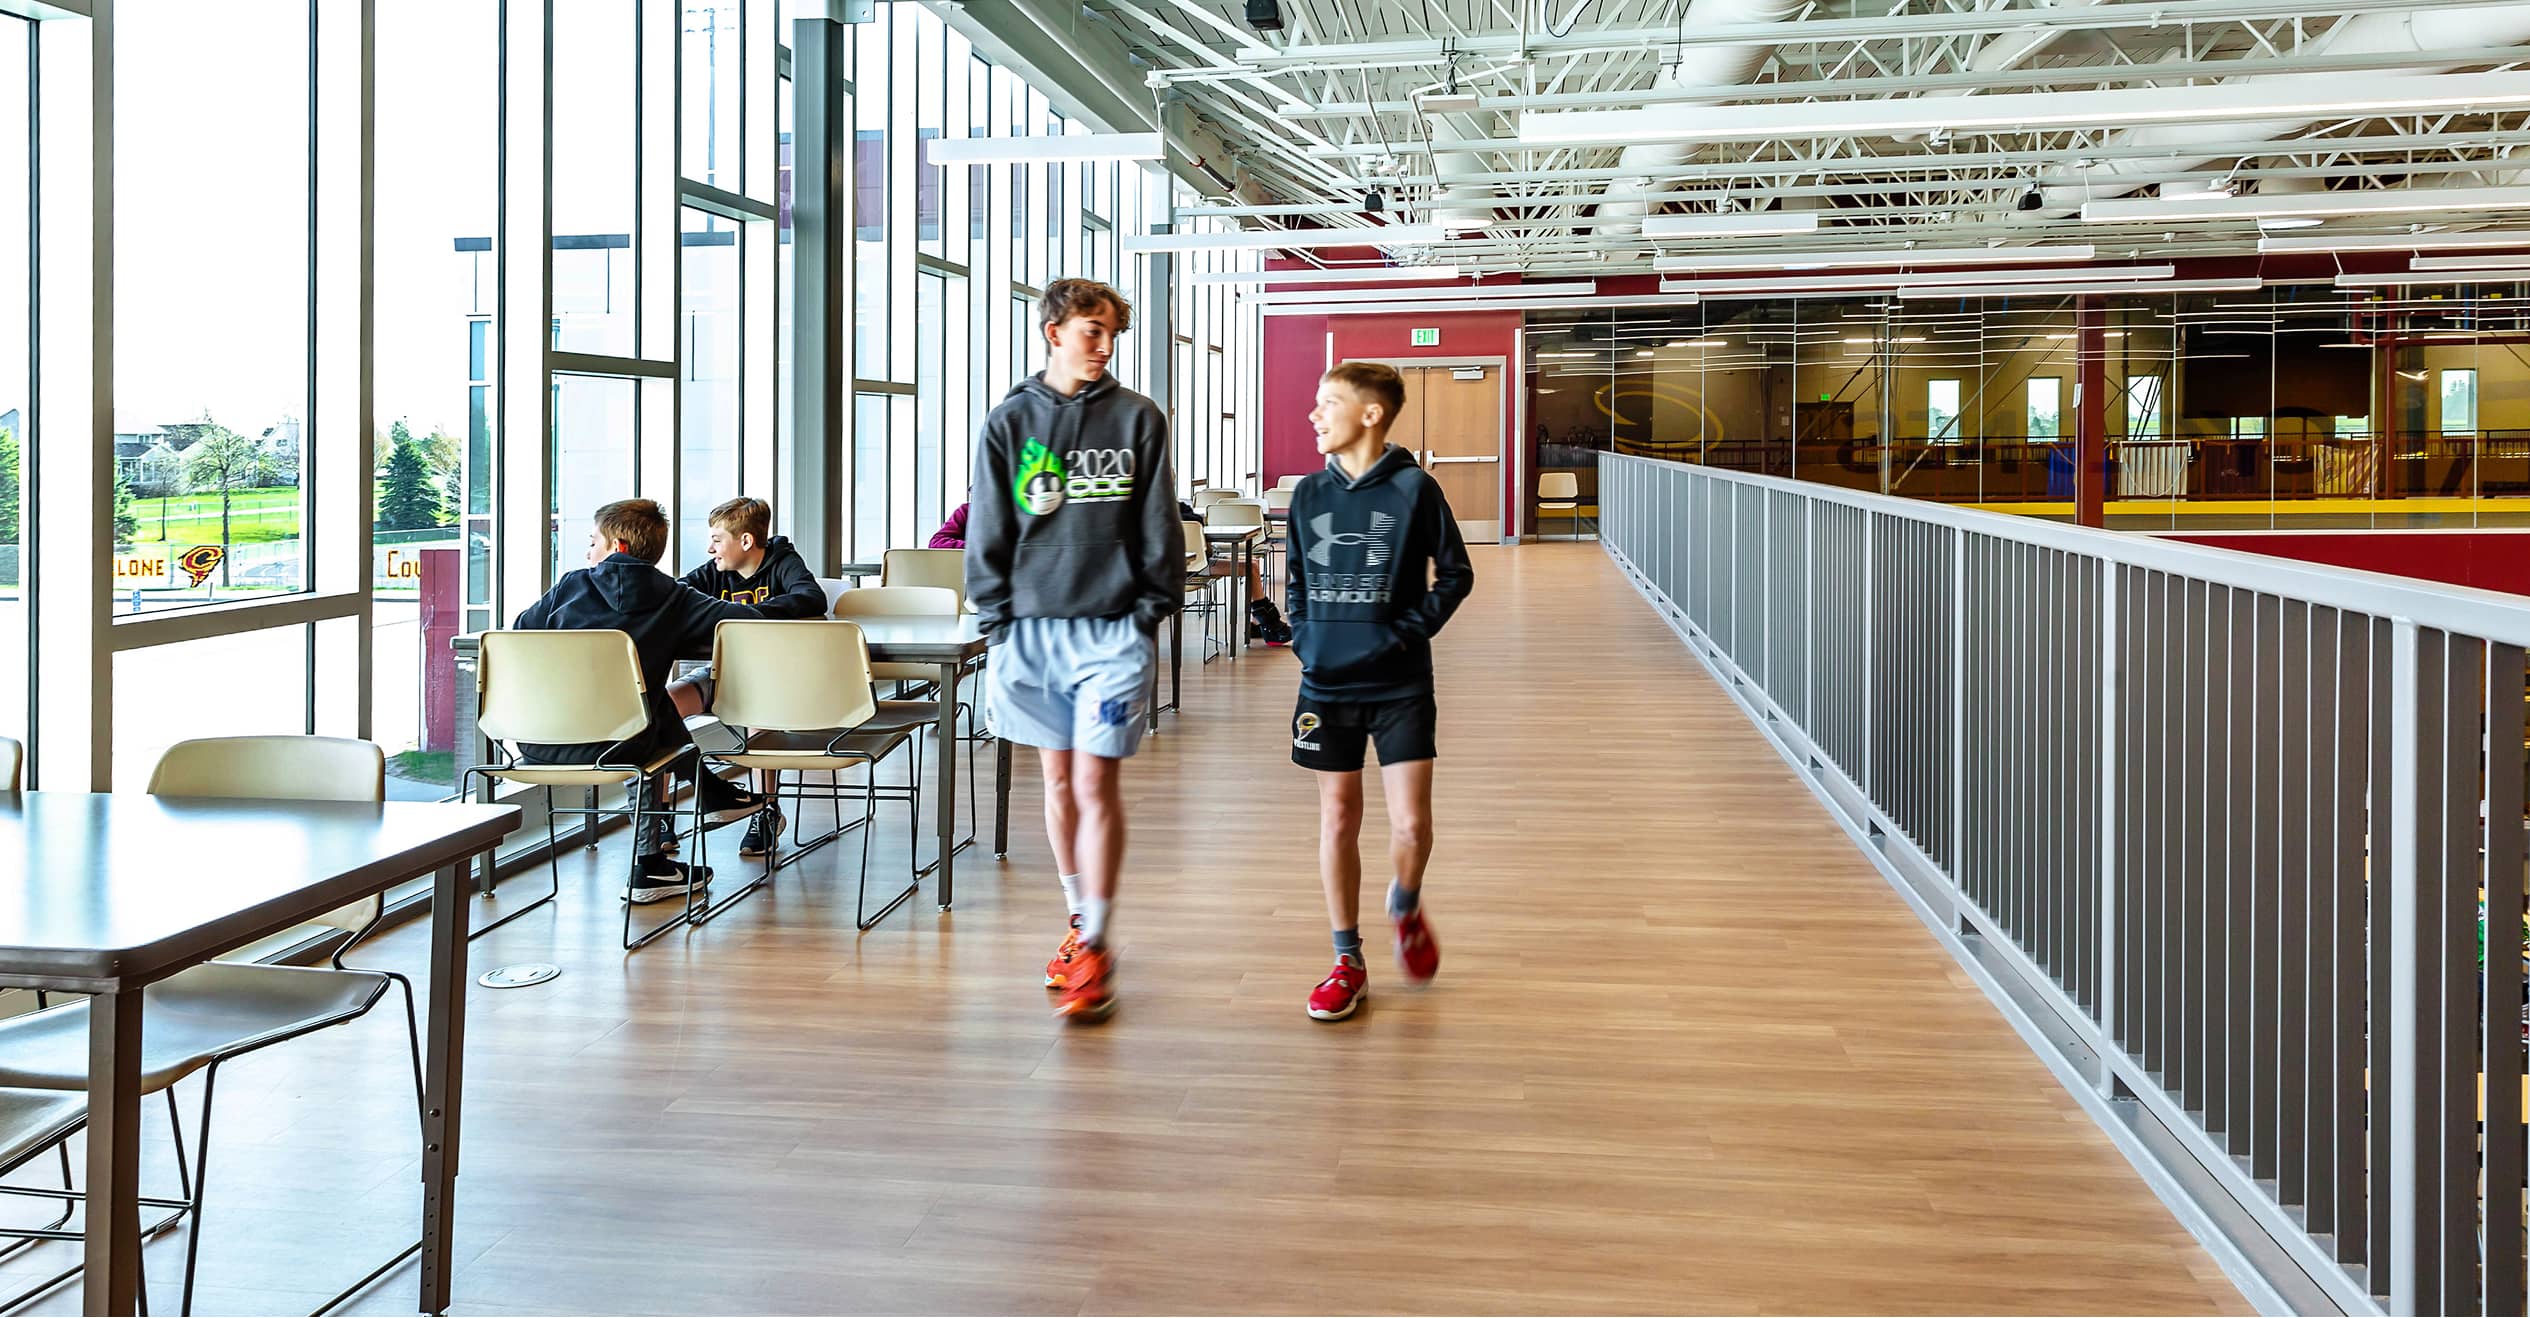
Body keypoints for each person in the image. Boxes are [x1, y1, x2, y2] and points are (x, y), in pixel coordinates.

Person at [965, 277, 1179, 1024]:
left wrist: (1149, 610)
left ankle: (1096, 939)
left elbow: (1159, 523)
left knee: (1095, 784)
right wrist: (997, 621)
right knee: (1056, 784)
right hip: (1028, 634)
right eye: (1092, 330)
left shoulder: (1138, 418)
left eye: (1112, 333)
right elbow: (988, 528)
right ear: (1053, 331)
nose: (1105, 344)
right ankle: (1077, 918)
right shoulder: (1009, 421)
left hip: (1113, 631)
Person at [1284, 362, 1474, 1022]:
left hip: (1399, 683)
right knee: (1337, 817)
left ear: (1370, 414)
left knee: (1411, 823)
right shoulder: (1308, 495)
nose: (1314, 414)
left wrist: (1401, 635)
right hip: (1324, 683)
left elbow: (1455, 576)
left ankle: (1405, 902)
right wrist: (1304, 638)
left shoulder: (1416, 490)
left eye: (1327, 402)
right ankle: (1347, 959)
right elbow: (1297, 581)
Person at [512, 497, 776, 903]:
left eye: (592, 541)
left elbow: (520, 632)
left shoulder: (569, 585)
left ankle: (680, 832)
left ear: (617, 546)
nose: (588, 553)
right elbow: (751, 624)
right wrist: (675, 635)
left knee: (643, 707)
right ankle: (664, 846)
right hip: (622, 746)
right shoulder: (674, 597)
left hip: (536, 740)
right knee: (643, 709)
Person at [664, 496, 826, 857]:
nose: (710, 548)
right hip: (725, 670)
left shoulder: (783, 563)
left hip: (776, 674)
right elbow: (674, 596)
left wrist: (746, 615)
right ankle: (660, 817)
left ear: (746, 542)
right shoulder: (713, 572)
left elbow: (812, 598)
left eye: (717, 540)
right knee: (665, 705)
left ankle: (766, 810)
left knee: (757, 711)